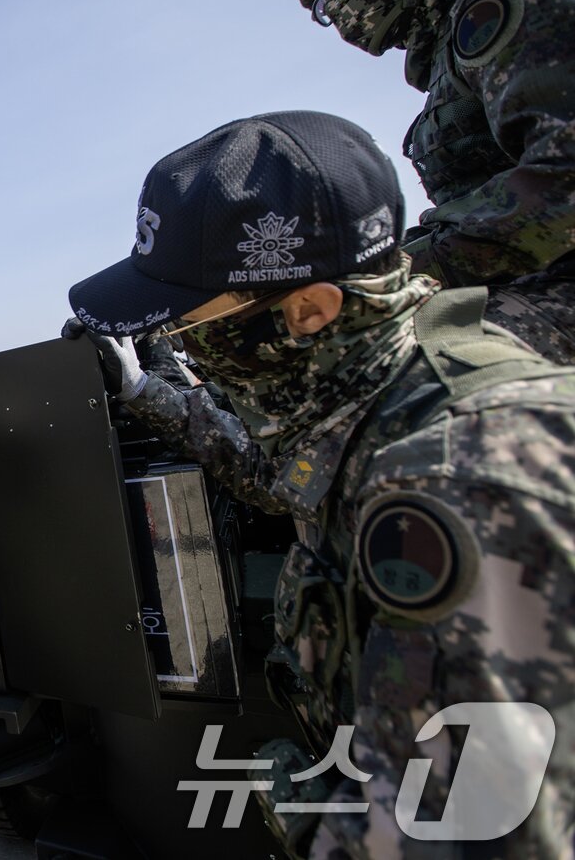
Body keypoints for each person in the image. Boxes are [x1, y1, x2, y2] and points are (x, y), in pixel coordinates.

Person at [66, 111, 574, 857]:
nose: (184, 343)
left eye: (185, 325)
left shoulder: (454, 476)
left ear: (308, 310)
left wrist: (294, 795)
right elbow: (283, 476)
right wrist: (146, 388)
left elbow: (472, 830)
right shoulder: (393, 386)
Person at [295, 0, 575, 362]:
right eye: (322, 7)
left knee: (375, 361)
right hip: (541, 278)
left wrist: (391, 274)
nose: (336, 9)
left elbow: (564, 183)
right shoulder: (456, 38)